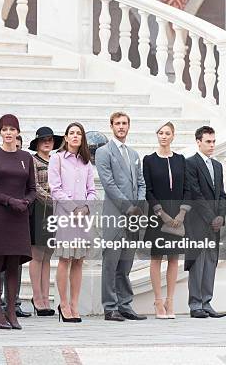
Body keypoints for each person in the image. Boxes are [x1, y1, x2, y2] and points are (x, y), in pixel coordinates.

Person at [0, 114, 36, 330]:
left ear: (18, 132)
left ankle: (11, 310)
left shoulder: (26, 157)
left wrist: (26, 202)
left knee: (14, 264)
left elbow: (32, 189)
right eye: (4, 129)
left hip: (19, 215)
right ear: (0, 132)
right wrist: (9, 201)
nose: (8, 133)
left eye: (12, 129)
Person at [95, 112, 147, 322]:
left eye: (125, 123)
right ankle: (110, 307)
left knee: (126, 264)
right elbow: (109, 184)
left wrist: (139, 204)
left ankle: (125, 305)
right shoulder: (103, 152)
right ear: (111, 126)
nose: (121, 127)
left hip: (134, 217)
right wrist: (128, 207)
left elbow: (141, 182)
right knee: (111, 263)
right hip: (115, 215)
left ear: (129, 126)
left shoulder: (134, 154)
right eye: (118, 123)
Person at [49, 122, 97, 323]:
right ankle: (63, 304)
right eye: (72, 133)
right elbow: (55, 188)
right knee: (65, 259)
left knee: (79, 260)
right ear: (66, 138)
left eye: (79, 133)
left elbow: (92, 190)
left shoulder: (86, 163)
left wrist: (85, 208)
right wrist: (73, 208)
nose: (75, 136)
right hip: (65, 216)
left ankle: (75, 304)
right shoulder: (57, 159)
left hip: (83, 218)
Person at [143, 122, 191, 319]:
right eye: (161, 133)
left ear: (173, 136)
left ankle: (170, 301)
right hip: (158, 216)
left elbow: (188, 189)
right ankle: (158, 302)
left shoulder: (181, 160)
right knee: (157, 258)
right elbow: (148, 190)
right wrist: (161, 213)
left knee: (173, 258)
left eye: (167, 133)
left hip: (178, 217)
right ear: (157, 135)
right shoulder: (149, 160)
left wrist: (181, 214)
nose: (164, 136)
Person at [185, 126, 226, 319]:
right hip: (197, 222)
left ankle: (207, 302)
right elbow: (195, 194)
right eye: (208, 141)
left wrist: (220, 217)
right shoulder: (190, 163)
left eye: (213, 141)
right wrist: (211, 218)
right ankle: (195, 305)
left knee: (211, 262)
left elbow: (222, 195)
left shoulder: (218, 166)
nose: (211, 145)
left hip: (214, 224)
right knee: (197, 262)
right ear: (198, 142)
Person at [28, 127, 62, 317]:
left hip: (56, 211)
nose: (47, 143)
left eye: (49, 139)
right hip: (40, 210)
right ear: (37, 143)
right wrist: (53, 200)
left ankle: (45, 297)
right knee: (37, 255)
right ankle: (37, 296)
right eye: (43, 140)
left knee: (48, 255)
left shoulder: (57, 160)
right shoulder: (32, 160)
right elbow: (35, 187)